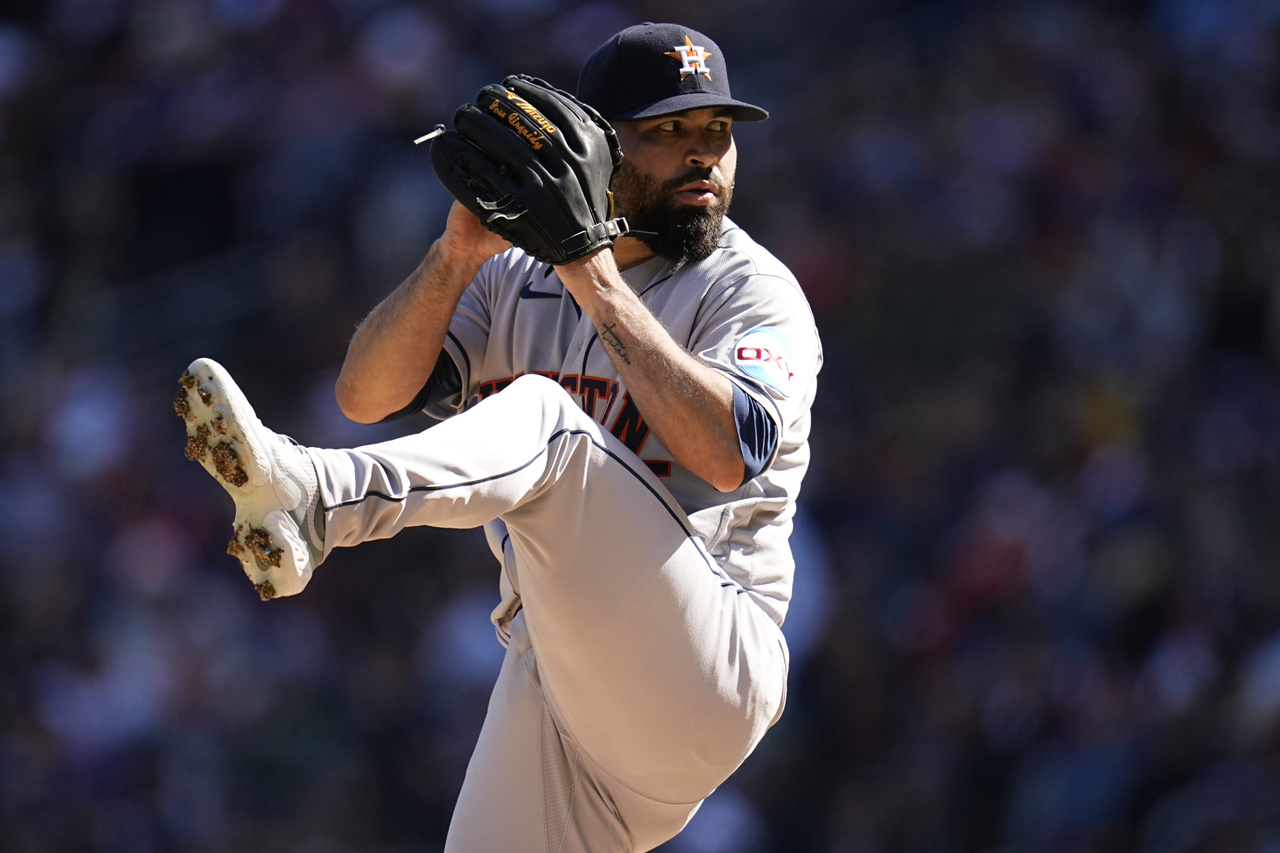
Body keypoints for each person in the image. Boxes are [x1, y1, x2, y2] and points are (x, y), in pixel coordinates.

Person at [176, 22, 820, 853]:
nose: (704, 155)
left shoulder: (750, 287)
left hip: (707, 660)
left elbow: (728, 455)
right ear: (599, 146)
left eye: (718, 131)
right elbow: (366, 395)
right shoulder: (514, 277)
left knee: (550, 423)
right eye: (668, 131)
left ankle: (318, 501)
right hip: (560, 688)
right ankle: (309, 498)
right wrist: (454, 254)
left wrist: (591, 272)